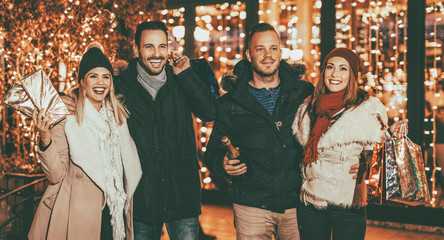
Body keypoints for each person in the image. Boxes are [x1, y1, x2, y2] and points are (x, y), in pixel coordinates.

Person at [204, 23, 314, 240]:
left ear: (281, 52)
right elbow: (213, 151)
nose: (267, 55)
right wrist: (222, 163)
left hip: (297, 203)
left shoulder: (303, 93)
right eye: (260, 49)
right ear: (249, 54)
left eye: (273, 48)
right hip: (251, 205)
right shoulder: (231, 103)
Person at [113, 21, 216, 239]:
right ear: (136, 49)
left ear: (168, 49)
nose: (156, 53)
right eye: (149, 46)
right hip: (142, 198)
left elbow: (210, 112)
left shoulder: (181, 78)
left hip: (182, 195)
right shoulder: (122, 85)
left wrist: (186, 75)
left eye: (162, 46)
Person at [28, 45, 142, 240]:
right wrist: (45, 139)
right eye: (93, 76)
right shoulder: (68, 117)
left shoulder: (118, 118)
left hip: (113, 216)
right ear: (82, 81)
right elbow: (56, 176)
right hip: (78, 213)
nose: (100, 82)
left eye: (106, 76)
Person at [292, 48, 388, 240]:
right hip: (311, 203)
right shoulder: (308, 107)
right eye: (330, 67)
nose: (335, 74)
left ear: (352, 75)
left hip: (348, 204)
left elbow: (380, 154)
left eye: (343, 68)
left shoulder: (368, 109)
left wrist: (367, 165)